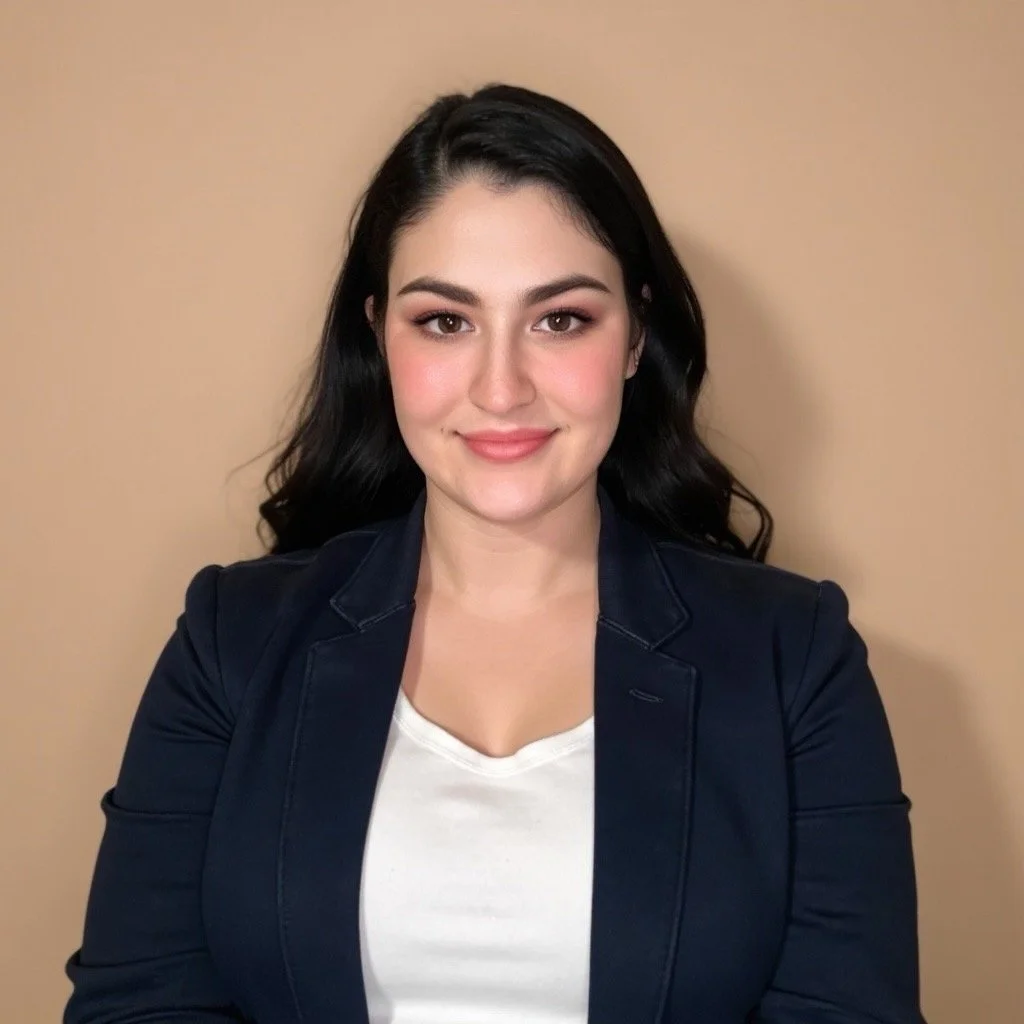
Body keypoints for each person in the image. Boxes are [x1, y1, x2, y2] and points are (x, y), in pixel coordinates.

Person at [63, 83, 927, 1024]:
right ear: (378, 336)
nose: (502, 387)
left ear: (636, 336)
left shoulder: (794, 658)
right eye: (445, 321)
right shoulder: (230, 641)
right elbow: (139, 1005)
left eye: (560, 319)